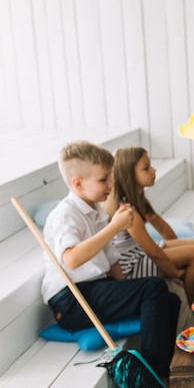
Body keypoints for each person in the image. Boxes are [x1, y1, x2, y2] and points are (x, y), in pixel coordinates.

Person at [41, 141, 181, 383]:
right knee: (153, 287)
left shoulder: (95, 210)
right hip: (71, 301)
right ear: (78, 183)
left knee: (169, 299)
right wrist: (114, 226)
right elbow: (72, 259)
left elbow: (112, 259)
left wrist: (129, 292)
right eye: (104, 180)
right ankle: (150, 375)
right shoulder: (65, 215)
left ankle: (169, 365)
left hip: (96, 289)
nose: (111, 184)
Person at [104, 146, 194, 306]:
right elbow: (153, 252)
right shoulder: (127, 211)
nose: (153, 170)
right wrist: (175, 272)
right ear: (129, 175)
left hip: (137, 254)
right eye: (146, 168)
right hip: (130, 268)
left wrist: (178, 255)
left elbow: (163, 229)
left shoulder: (138, 200)